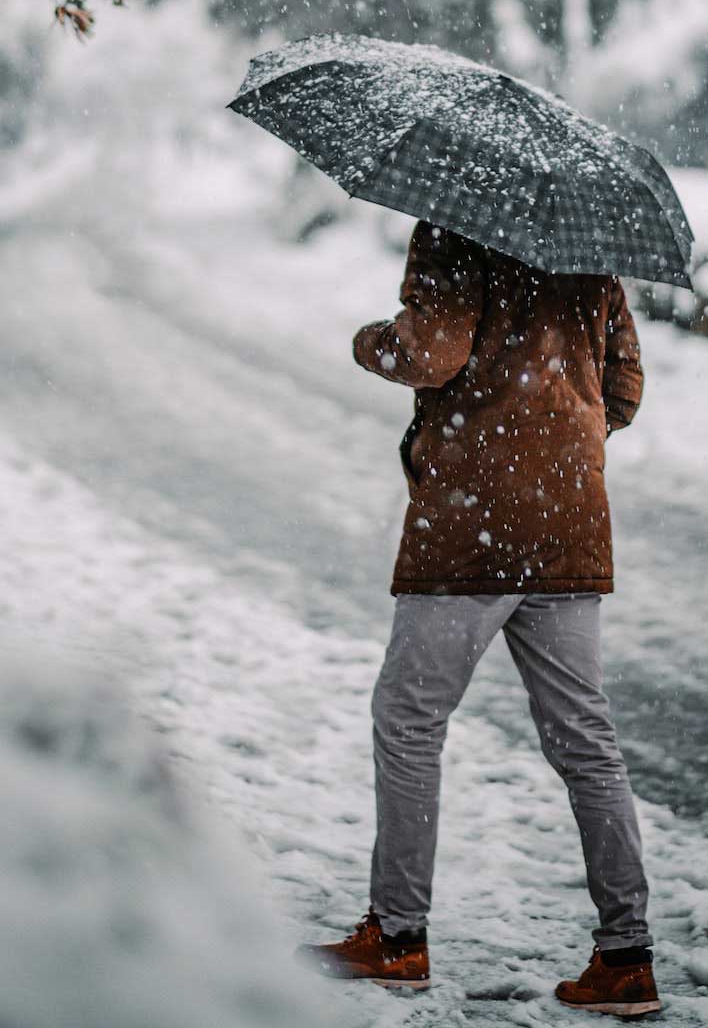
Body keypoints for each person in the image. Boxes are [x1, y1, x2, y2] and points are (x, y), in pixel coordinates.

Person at [296, 220, 661, 1018]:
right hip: (569, 520)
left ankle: (397, 938)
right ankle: (627, 958)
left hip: (473, 521)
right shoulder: (587, 244)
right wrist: (558, 437)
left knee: (409, 718)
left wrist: (371, 342)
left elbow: (431, 351)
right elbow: (624, 388)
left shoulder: (455, 226)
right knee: (585, 740)